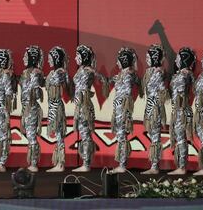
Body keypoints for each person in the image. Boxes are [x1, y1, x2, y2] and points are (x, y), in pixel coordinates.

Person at [71, 45, 107, 173]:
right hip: (80, 105)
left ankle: (86, 164)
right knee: (84, 133)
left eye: (77, 56)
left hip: (84, 105)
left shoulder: (88, 70)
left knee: (85, 134)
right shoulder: (82, 69)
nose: (75, 58)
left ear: (83, 57)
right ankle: (86, 162)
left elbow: (102, 79)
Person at [110, 47, 142, 174]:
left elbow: (128, 91)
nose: (117, 63)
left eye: (118, 60)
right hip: (119, 109)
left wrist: (123, 108)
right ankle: (121, 163)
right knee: (120, 136)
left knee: (122, 136)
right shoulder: (125, 74)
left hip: (123, 110)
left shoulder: (128, 74)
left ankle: (122, 165)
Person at [141, 44, 168, 175]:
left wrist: (157, 103)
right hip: (150, 106)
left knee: (155, 136)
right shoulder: (149, 72)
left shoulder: (158, 72)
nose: (147, 58)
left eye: (148, 56)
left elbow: (163, 90)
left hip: (155, 106)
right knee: (152, 134)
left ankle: (155, 165)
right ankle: (153, 164)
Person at [168, 47, 195, 175]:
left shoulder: (185, 74)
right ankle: (181, 165)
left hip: (182, 110)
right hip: (178, 110)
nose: (176, 60)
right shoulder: (182, 74)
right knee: (180, 139)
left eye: (179, 58)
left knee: (181, 139)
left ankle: (182, 167)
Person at [45, 46, 70, 173]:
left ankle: (61, 164)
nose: (48, 61)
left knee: (59, 135)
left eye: (50, 58)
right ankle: (59, 162)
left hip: (57, 106)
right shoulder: (54, 73)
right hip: (52, 106)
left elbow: (58, 84)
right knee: (58, 135)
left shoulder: (60, 72)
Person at [20, 45, 45, 172]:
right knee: (29, 135)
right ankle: (32, 162)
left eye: (26, 56)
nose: (24, 58)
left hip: (31, 107)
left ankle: (34, 163)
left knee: (31, 136)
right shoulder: (26, 72)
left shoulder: (35, 73)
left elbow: (35, 90)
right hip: (26, 107)